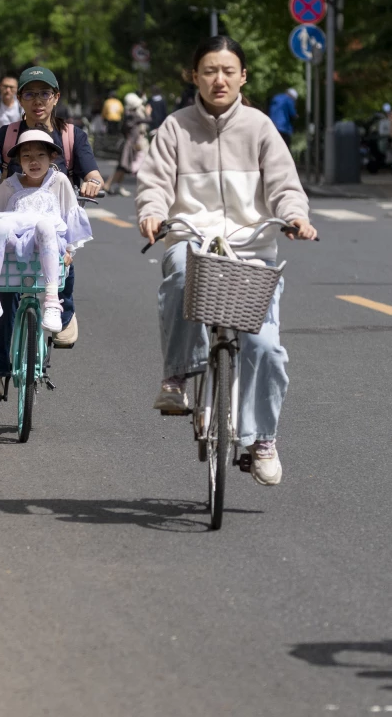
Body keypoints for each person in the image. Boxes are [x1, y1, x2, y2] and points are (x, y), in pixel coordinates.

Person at [136, 35, 318, 486]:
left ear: (243, 76)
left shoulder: (259, 127)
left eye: (228, 71)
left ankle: (262, 440)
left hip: (251, 247)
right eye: (210, 71)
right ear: (194, 76)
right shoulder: (175, 128)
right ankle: (176, 377)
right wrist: (153, 213)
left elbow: (283, 184)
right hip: (192, 238)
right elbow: (155, 182)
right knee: (179, 271)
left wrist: (296, 216)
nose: (219, 79)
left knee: (265, 347)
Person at [0, 66, 106, 399]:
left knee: (62, 259)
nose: (37, 101)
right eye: (29, 94)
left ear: (56, 98)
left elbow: (94, 172)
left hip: (53, 223)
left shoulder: (71, 136)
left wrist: (92, 183)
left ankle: (63, 309)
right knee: (4, 292)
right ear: (19, 99)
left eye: (44, 93)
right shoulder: (7, 135)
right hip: (14, 227)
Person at [0, 129, 93, 334]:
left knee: (45, 225)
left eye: (40, 155)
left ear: (52, 157)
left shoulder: (59, 181)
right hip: (13, 246)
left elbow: (70, 216)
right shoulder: (9, 185)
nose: (34, 161)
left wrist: (69, 250)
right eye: (26, 156)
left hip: (47, 243)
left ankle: (52, 302)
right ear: (19, 160)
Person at [105, 92, 150, 196]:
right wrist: (148, 112)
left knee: (123, 167)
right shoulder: (133, 116)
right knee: (122, 166)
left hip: (128, 143)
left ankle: (116, 185)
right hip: (128, 145)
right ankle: (109, 185)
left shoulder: (129, 115)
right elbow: (148, 120)